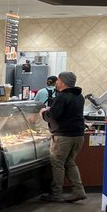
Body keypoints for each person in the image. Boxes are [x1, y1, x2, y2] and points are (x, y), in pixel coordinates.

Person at [40, 70, 86, 203]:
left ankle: (56, 193)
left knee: (58, 163)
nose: (57, 82)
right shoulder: (79, 96)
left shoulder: (62, 97)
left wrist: (43, 112)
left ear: (63, 82)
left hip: (64, 136)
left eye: (58, 80)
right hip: (78, 134)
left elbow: (51, 116)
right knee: (70, 162)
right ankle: (79, 191)